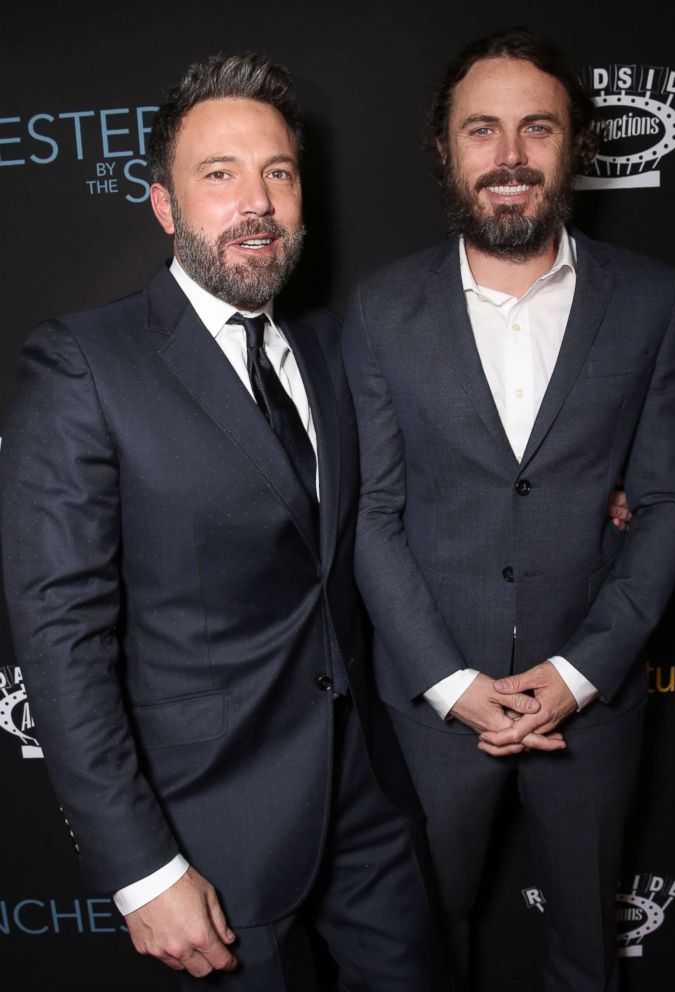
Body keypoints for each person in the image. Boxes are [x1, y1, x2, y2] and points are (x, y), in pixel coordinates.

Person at [0, 53, 445, 992]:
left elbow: (394, 507)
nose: (258, 203)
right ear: (163, 205)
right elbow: (60, 637)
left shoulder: (331, 344)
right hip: (210, 834)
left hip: (368, 802)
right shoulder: (83, 365)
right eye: (220, 175)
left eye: (278, 173)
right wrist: (140, 868)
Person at [342, 26, 675, 992]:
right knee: (424, 951)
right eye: (482, 131)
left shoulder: (653, 299)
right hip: (432, 711)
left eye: (536, 129)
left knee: (589, 954)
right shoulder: (379, 311)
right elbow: (371, 517)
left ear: (572, 145)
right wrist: (451, 686)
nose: (509, 156)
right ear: (447, 152)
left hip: (591, 701)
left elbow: (669, 501)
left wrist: (581, 673)